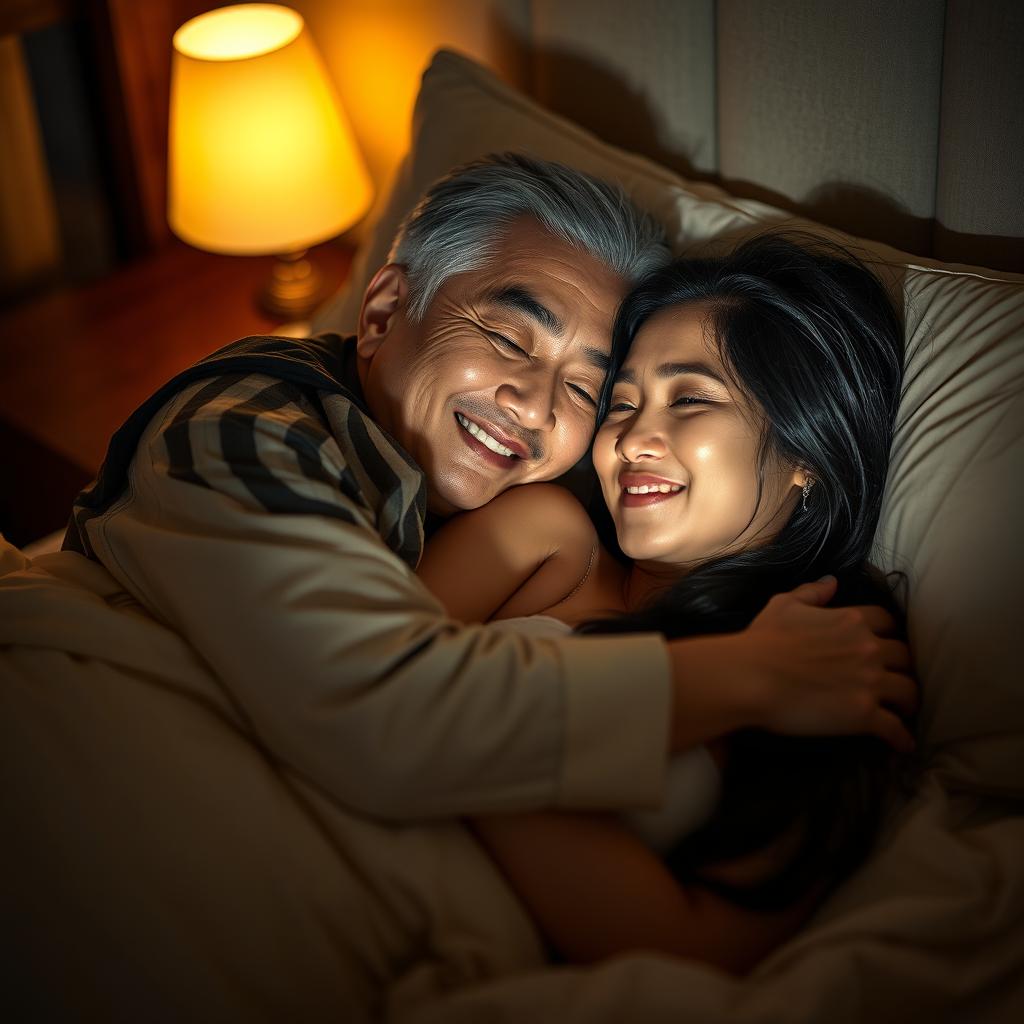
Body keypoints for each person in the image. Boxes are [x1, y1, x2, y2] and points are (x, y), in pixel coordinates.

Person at [62, 152, 913, 830]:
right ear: (385, 309)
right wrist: (753, 676)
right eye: (509, 337)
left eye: (588, 389)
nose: (538, 408)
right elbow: (383, 721)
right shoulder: (249, 429)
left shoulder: (538, 502)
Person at [417, 233, 912, 974]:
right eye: (620, 403)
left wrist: (467, 747)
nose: (632, 439)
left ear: (808, 450)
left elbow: (692, 945)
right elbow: (358, 682)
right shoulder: (548, 541)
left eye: (691, 398)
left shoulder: (828, 666)